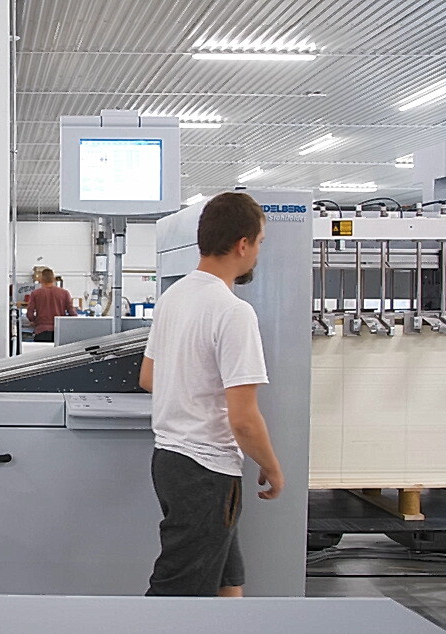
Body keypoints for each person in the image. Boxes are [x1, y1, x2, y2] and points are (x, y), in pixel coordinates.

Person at [138, 191, 284, 597]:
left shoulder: (173, 297)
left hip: (170, 460)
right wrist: (271, 466)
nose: (258, 252)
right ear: (243, 244)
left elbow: (149, 376)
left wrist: (190, 389)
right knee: (175, 592)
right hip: (205, 470)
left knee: (227, 580)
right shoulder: (233, 311)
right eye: (260, 243)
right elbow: (244, 418)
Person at [26, 267, 77, 342]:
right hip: (60, 331)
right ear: (53, 279)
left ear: (41, 279)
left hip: (41, 331)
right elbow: (72, 313)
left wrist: (34, 321)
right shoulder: (64, 293)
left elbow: (29, 313)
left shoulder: (35, 293)